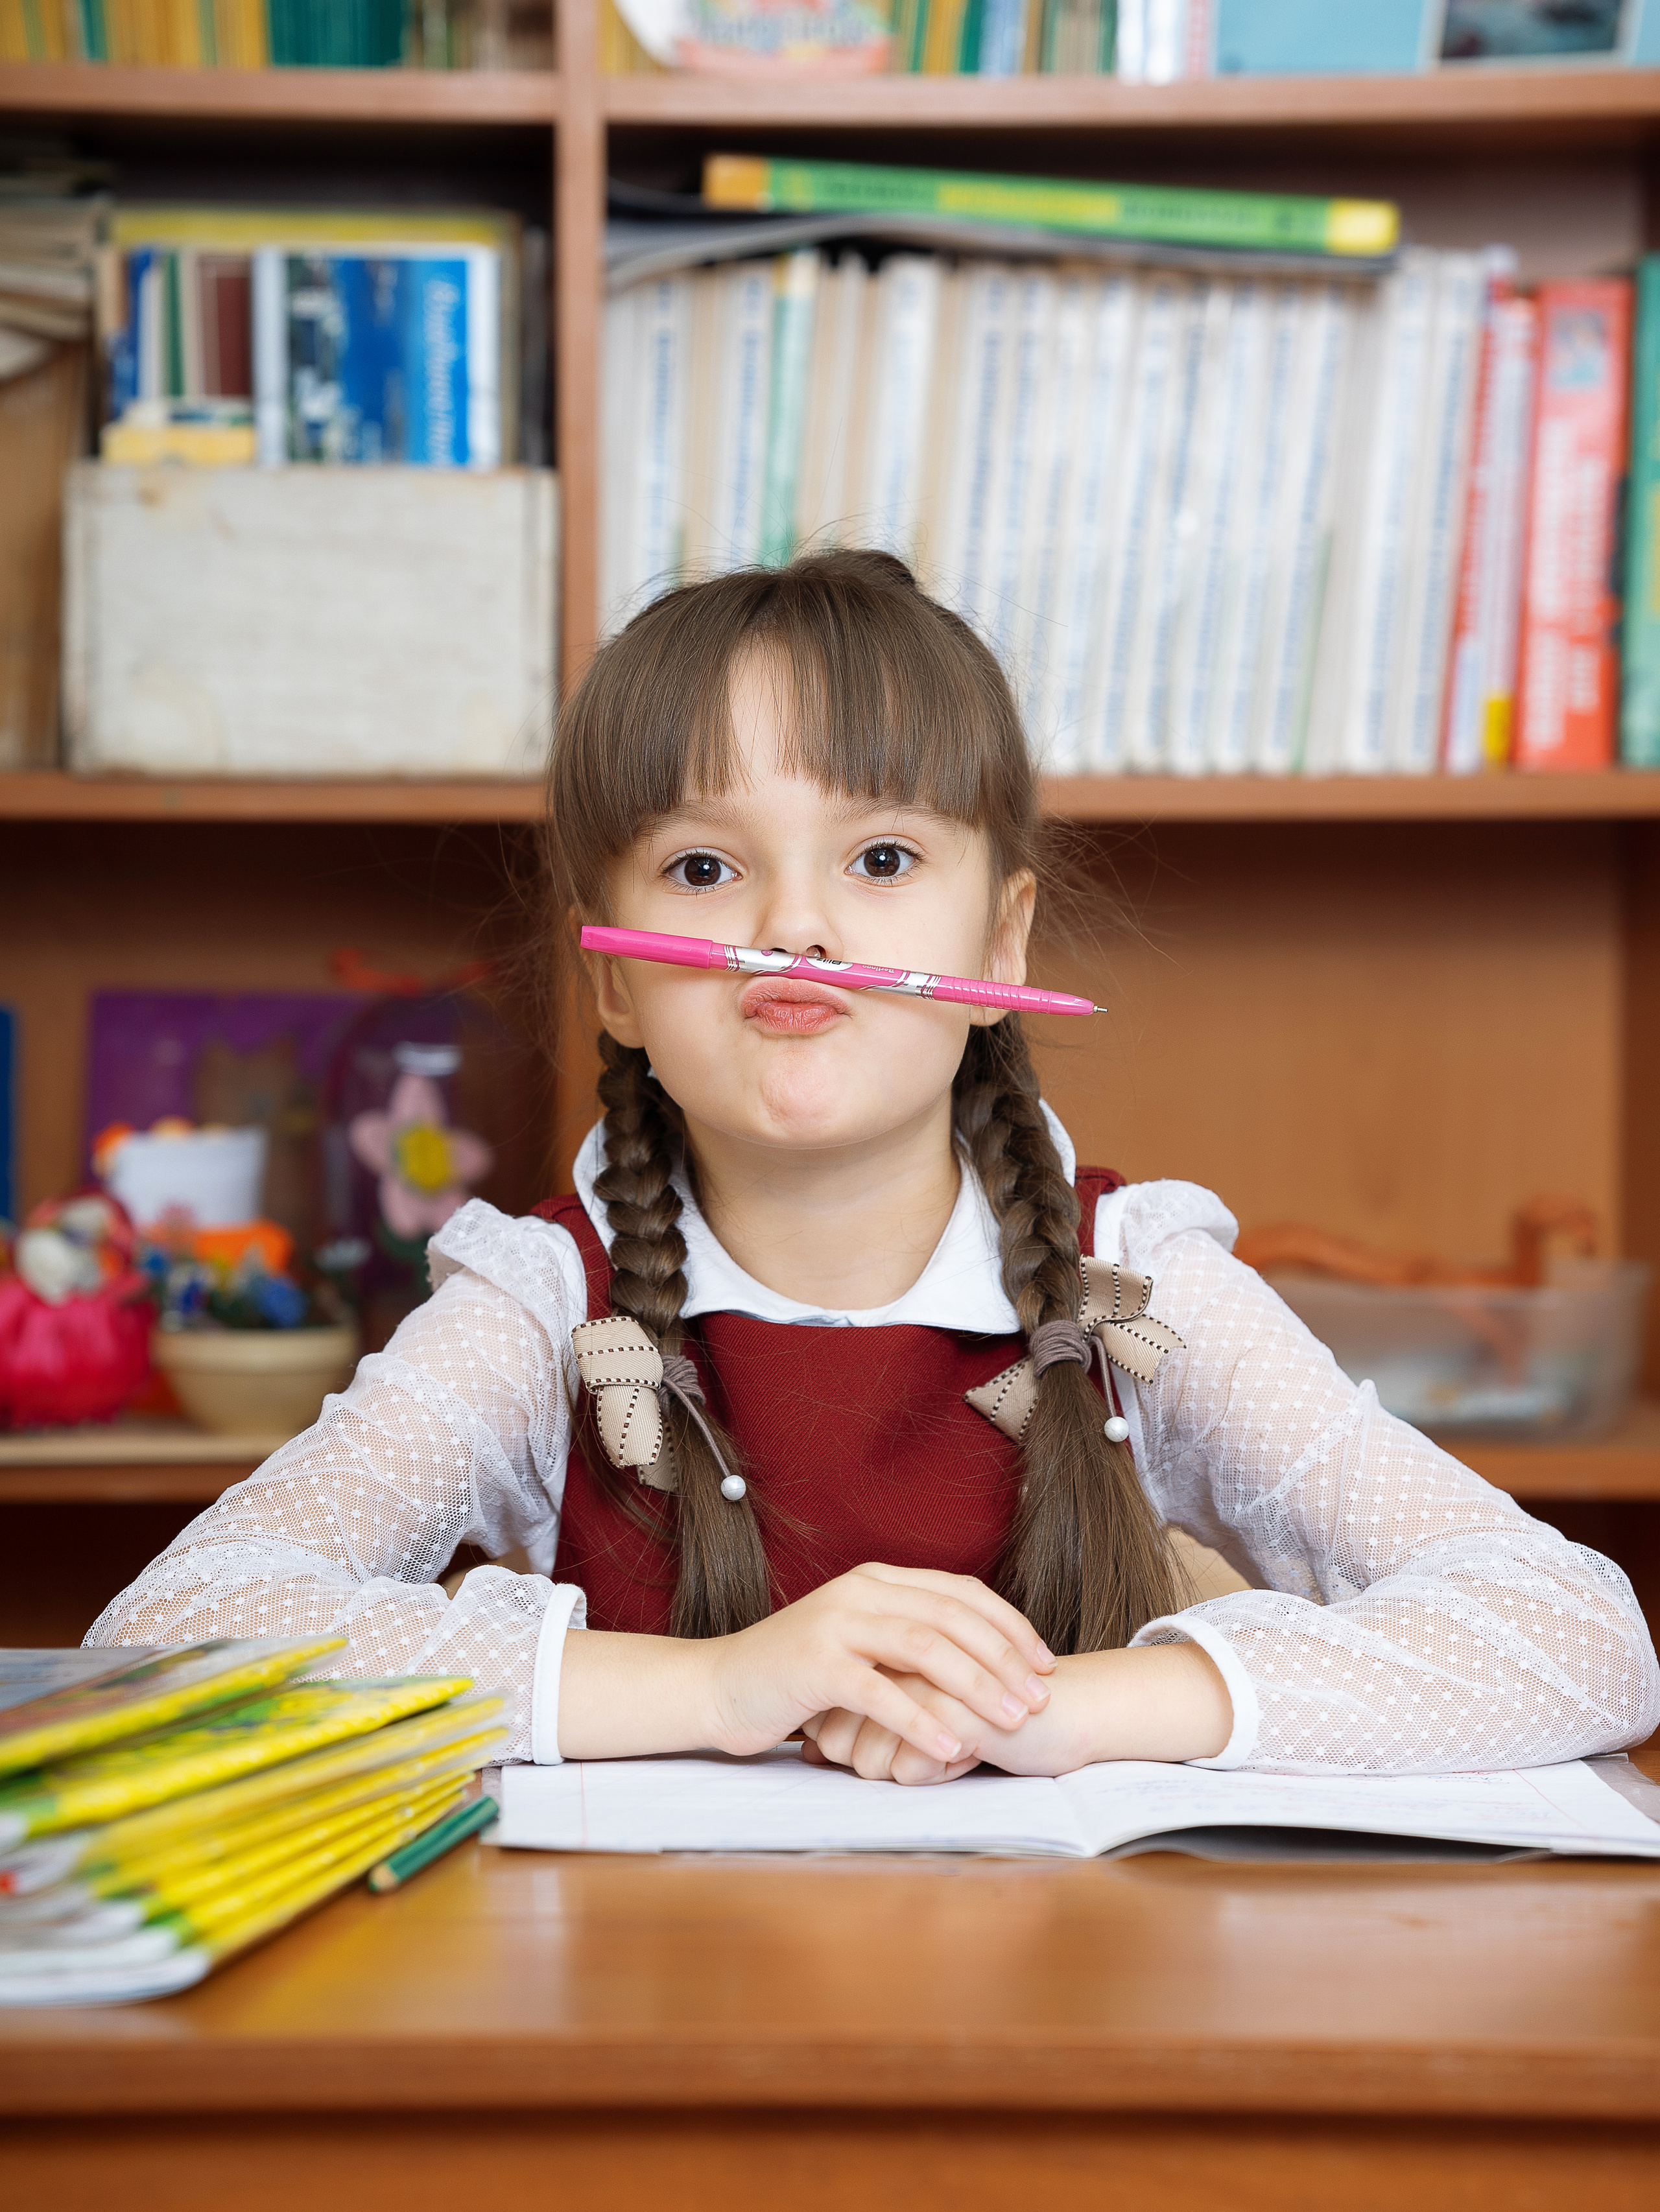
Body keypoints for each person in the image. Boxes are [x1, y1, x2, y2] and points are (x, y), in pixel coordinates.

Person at [90, 552, 1660, 1784]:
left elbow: (1577, 1635)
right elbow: (170, 1635)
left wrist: (1070, 1709)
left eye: (882, 859)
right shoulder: (538, 1305)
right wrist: (721, 1685)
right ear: (618, 981)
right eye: (706, 867)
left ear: (999, 946)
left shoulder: (1133, 1293)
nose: (799, 927)